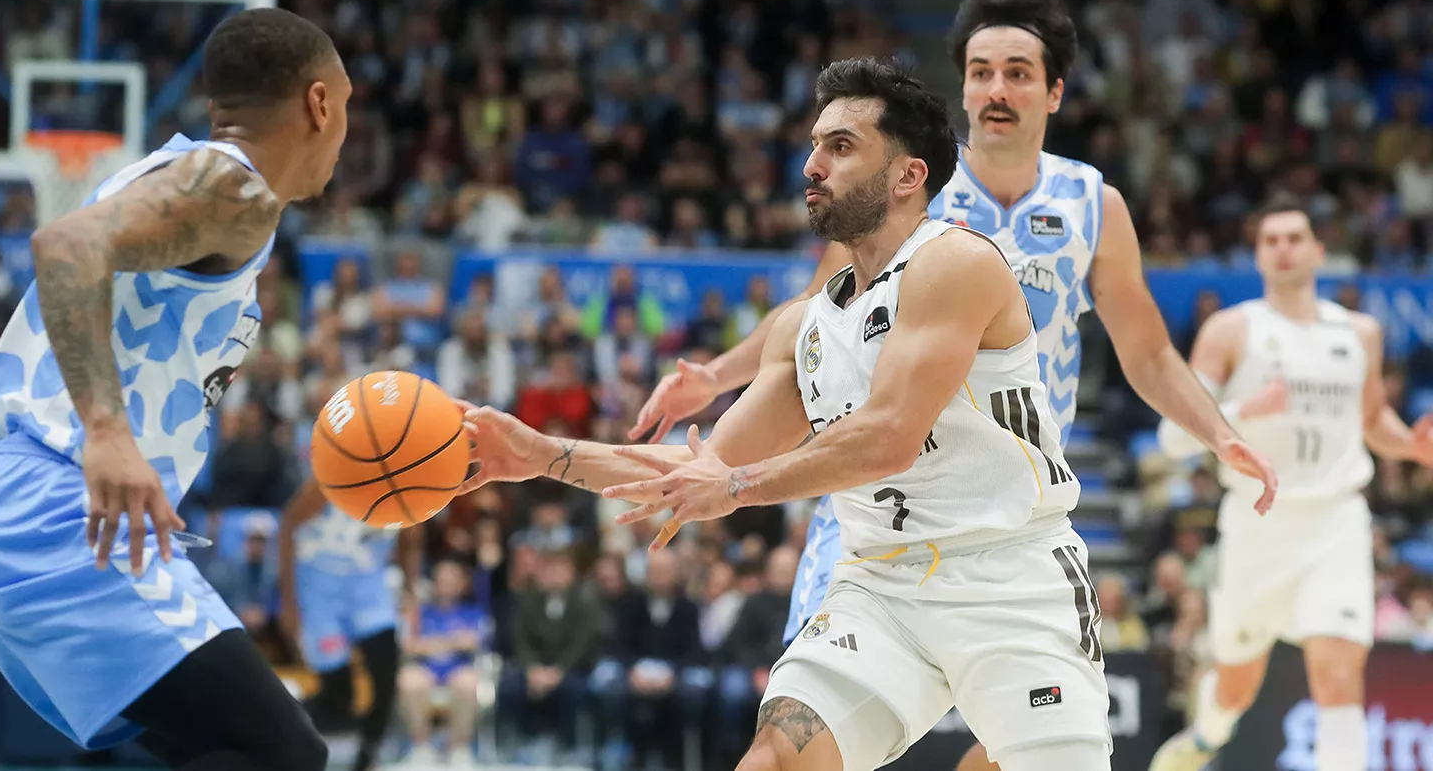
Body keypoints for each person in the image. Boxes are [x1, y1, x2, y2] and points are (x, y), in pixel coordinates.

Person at [628, 0, 1278, 769]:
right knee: (802, 738)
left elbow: (1147, 353)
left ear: (1055, 91)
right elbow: (810, 319)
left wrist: (1219, 433)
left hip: (1001, 505)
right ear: (962, 86)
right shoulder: (903, 185)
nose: (996, 89)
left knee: (1004, 749)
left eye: (1017, 72)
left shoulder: (1092, 204)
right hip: (874, 493)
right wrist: (716, 377)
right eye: (979, 72)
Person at [464, 57, 1115, 771]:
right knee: (774, 758)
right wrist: (535, 456)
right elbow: (697, 471)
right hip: (882, 587)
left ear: (908, 175)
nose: (812, 164)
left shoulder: (953, 263)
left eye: (840, 146)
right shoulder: (802, 329)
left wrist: (737, 489)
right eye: (814, 145)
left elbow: (889, 435)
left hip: (1009, 578)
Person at [0, 8, 347, 770]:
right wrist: (107, 432)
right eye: (346, 108)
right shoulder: (230, 184)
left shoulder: (182, 176)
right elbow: (65, 246)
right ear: (320, 104)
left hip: (38, 502)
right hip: (56, 504)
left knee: (221, 748)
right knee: (280, 754)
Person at [1149, 197, 1433, 771]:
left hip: (1335, 520)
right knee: (1236, 687)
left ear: (1318, 250)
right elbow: (1172, 439)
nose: (1283, 248)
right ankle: (1206, 735)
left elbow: (1372, 419)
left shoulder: (1360, 332)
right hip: (1258, 523)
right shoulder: (1230, 330)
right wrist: (1243, 409)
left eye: (1294, 237)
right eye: (1270, 239)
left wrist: (1413, 446)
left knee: (1337, 673)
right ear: (1256, 254)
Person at [279, 478, 422, 771]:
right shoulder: (329, 481)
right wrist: (289, 602)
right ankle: (282, 725)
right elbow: (286, 529)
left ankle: (368, 756)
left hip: (370, 592)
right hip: (322, 593)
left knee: (386, 675)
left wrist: (409, 589)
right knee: (339, 693)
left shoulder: (406, 487)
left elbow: (411, 540)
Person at [397, 558, 493, 768]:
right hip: (426, 669)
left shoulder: (473, 611)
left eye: (452, 580)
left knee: (467, 683)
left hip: (458, 668)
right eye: (442, 580)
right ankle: (421, 747)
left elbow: (473, 641)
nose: (446, 585)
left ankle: (459, 747)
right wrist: (451, 641)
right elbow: (409, 645)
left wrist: (433, 644)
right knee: (409, 681)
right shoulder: (420, 612)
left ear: (461, 583)